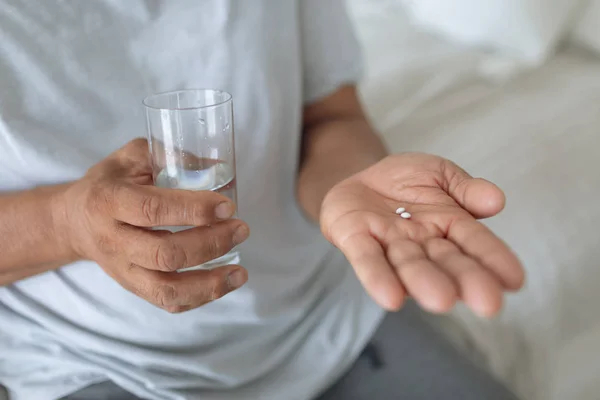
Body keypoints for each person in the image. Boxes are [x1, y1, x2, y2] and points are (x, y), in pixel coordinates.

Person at [0, 1, 524, 399]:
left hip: (324, 318)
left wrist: (349, 190)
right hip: (96, 360)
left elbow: (330, 116)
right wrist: (68, 223)